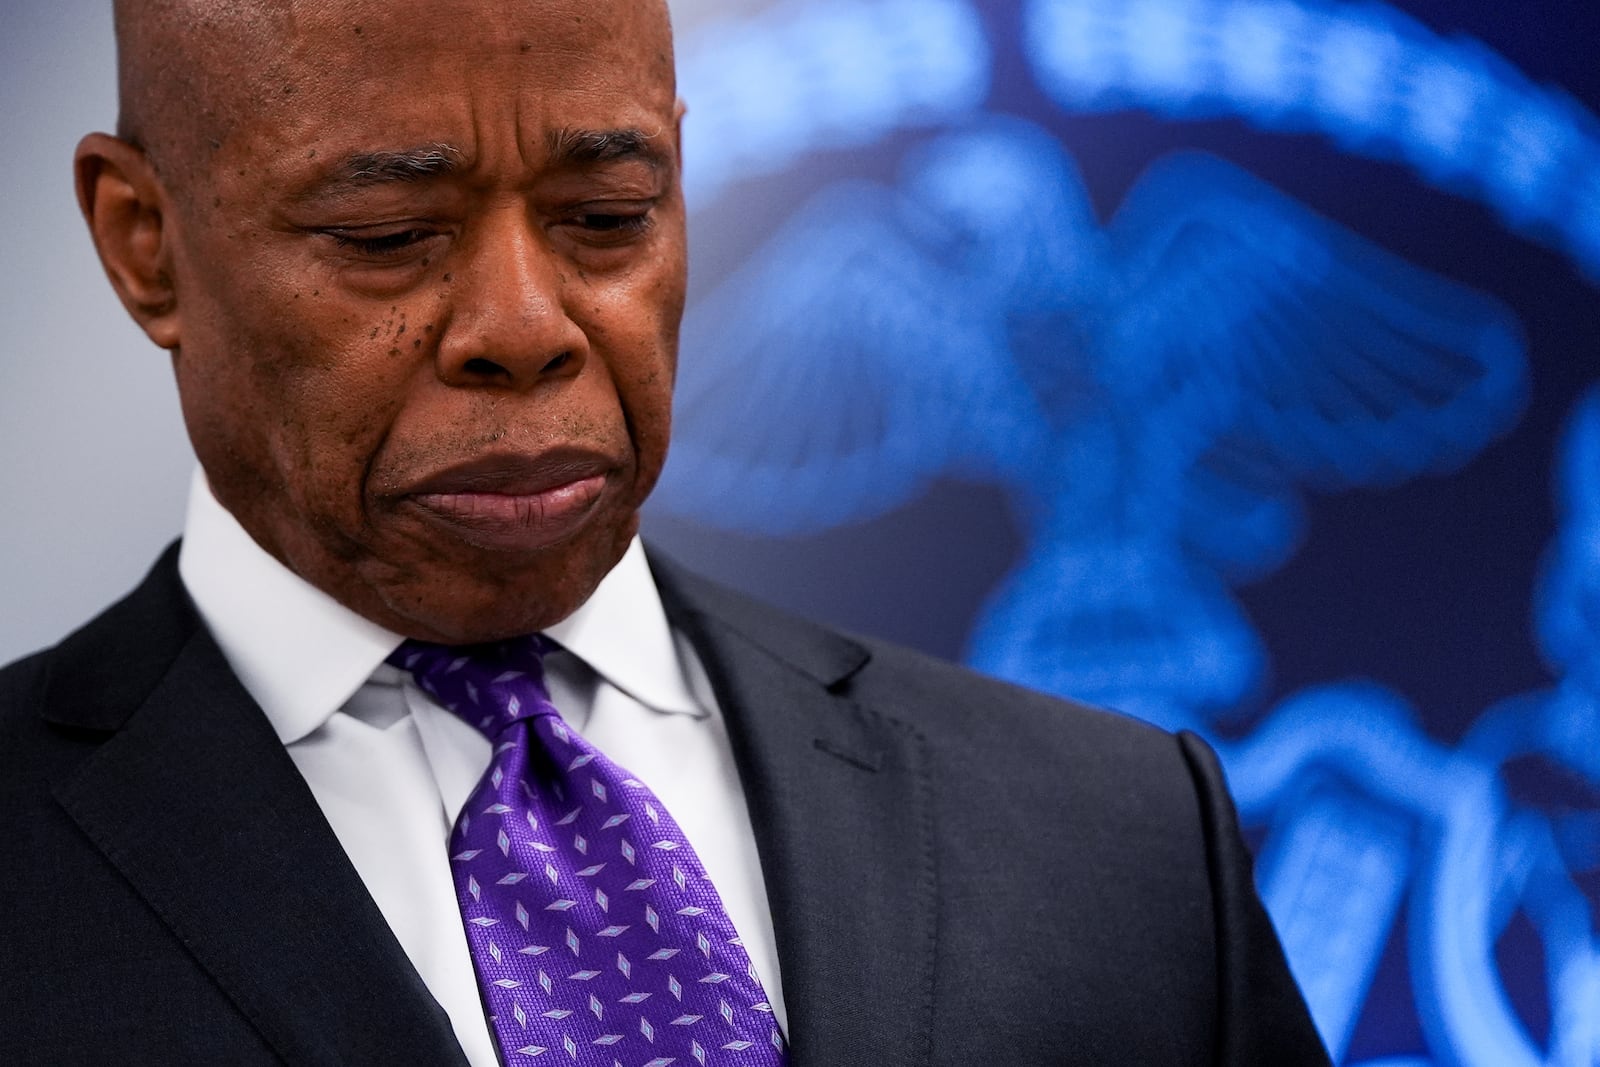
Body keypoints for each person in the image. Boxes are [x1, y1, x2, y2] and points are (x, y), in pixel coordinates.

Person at [0, 0, 1331, 1064]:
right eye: (388, 234)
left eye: (607, 218)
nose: (526, 325)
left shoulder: (1123, 844)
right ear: (143, 241)